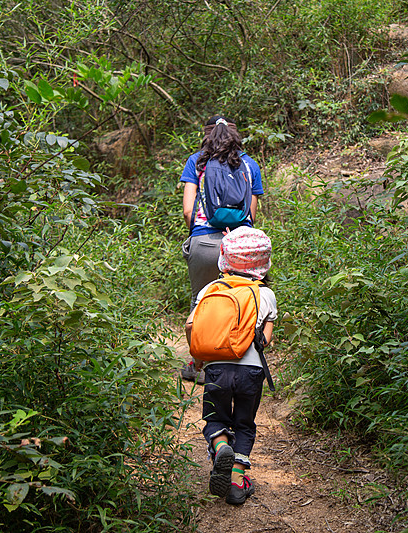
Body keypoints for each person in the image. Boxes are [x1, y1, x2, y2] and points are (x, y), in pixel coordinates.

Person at [185, 227, 277, 505]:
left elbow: (191, 325)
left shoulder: (210, 289)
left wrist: (199, 357)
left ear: (224, 259)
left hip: (216, 369)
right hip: (251, 371)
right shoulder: (265, 294)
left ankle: (221, 445)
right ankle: (237, 482)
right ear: (263, 262)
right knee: (245, 425)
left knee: (215, 419)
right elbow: (267, 341)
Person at [180, 115, 265, 383]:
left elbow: (187, 210)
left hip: (204, 242)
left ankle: (199, 365)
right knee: (243, 301)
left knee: (201, 301)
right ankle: (237, 360)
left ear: (206, 135)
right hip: (240, 243)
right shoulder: (249, 165)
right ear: (236, 136)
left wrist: (196, 234)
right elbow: (251, 213)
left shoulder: (197, 162)